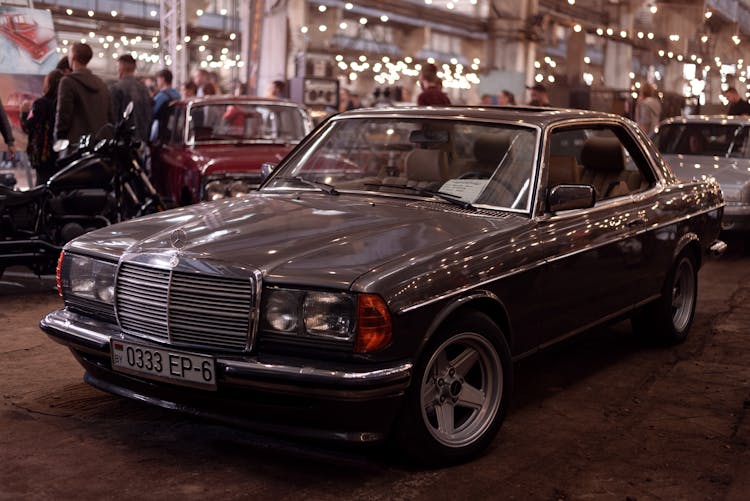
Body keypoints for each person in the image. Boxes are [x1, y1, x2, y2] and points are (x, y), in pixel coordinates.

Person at [55, 42, 113, 145]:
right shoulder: (101, 84)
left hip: (75, 146)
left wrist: (58, 140)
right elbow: (110, 116)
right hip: (99, 145)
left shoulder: (67, 82)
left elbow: (63, 115)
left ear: (73, 57)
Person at [20, 70, 63, 185]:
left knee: (41, 187)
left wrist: (24, 113)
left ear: (48, 84)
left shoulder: (39, 104)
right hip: (60, 154)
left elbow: (27, 127)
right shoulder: (62, 104)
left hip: (42, 156)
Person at [110, 54, 153, 143]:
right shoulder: (144, 89)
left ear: (121, 67)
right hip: (142, 142)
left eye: (117, 67)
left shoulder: (116, 88)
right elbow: (149, 116)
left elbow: (113, 118)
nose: (116, 70)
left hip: (123, 143)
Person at [150, 68, 181, 142]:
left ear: (162, 79)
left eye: (157, 80)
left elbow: (152, 113)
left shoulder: (160, 96)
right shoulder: (177, 95)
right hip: (176, 131)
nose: (157, 82)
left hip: (162, 133)